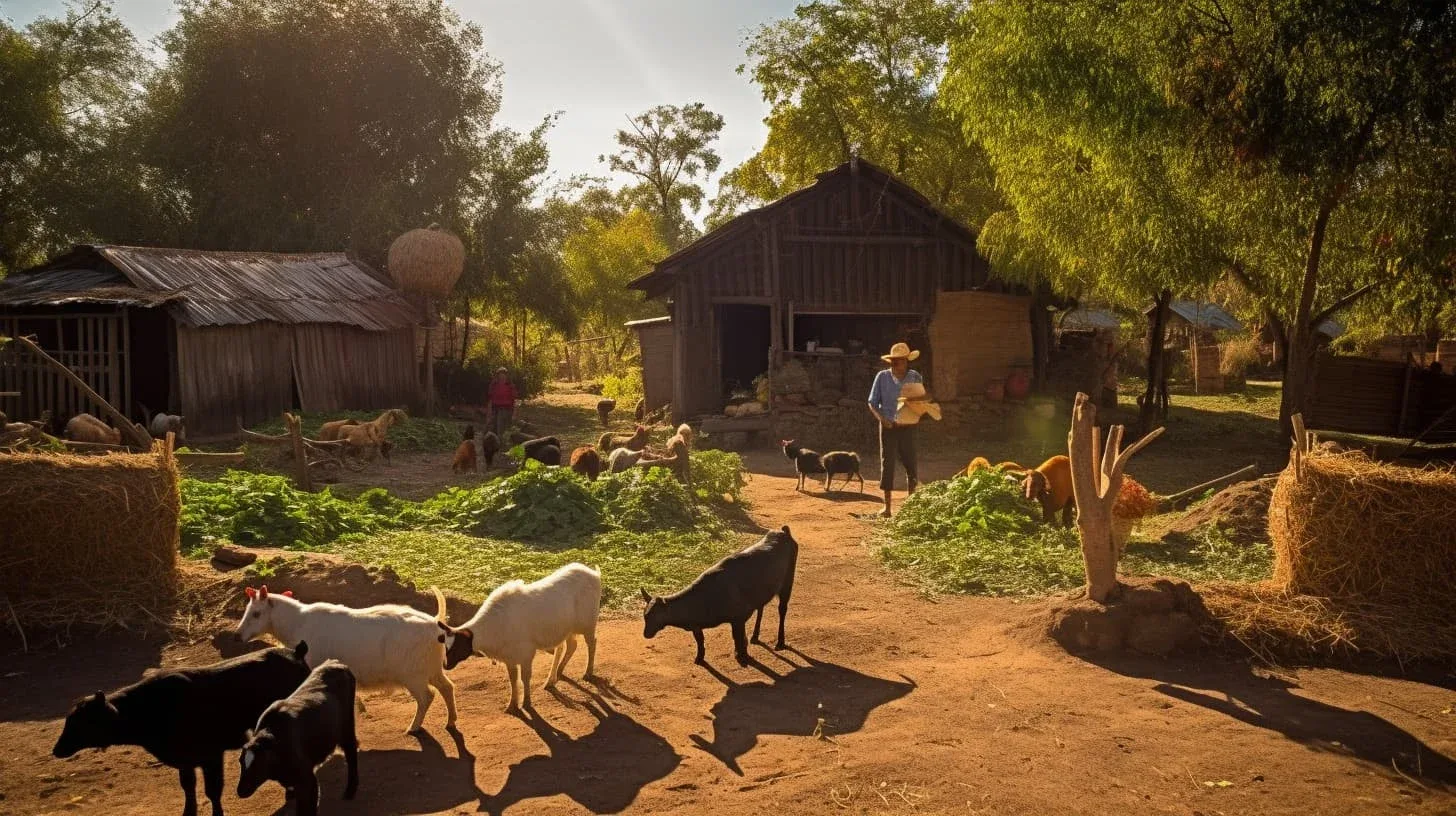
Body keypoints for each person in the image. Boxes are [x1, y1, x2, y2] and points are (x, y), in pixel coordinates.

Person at [867, 342, 924, 518]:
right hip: (888, 426)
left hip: (909, 427)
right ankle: (888, 508)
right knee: (888, 464)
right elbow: (872, 402)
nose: (895, 364)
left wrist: (914, 416)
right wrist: (882, 419)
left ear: (906, 361)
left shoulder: (914, 376)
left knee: (911, 464)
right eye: (893, 361)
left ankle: (911, 507)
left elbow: (920, 402)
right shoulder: (882, 377)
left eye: (898, 361)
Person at [487, 367, 517, 440]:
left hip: (505, 409)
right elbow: (490, 399)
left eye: (503, 374)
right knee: (492, 427)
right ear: (497, 375)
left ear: (506, 375)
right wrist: (489, 411)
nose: (502, 376)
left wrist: (514, 413)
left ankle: (502, 443)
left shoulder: (510, 385)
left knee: (501, 428)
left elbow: (514, 400)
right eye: (500, 374)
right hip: (495, 408)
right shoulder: (494, 385)